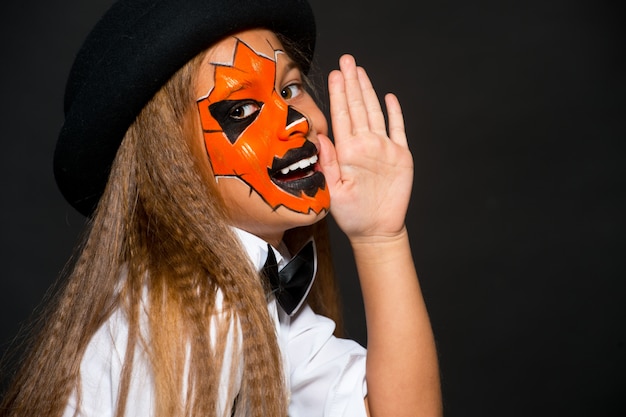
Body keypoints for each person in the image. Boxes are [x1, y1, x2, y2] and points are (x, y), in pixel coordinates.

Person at [0, 0, 442, 416]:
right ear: (170, 164)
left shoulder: (253, 295)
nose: (296, 120)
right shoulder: (195, 316)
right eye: (243, 109)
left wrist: (380, 238)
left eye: (289, 89)